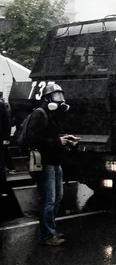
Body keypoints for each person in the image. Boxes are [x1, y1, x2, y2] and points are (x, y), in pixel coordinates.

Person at [28, 84, 78, 246]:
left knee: (57, 198)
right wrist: (58, 141)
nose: (60, 100)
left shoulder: (52, 115)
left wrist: (65, 137)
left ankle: (51, 230)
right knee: (48, 200)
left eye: (61, 96)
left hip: (55, 162)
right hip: (46, 163)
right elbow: (33, 139)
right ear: (47, 99)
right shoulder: (39, 114)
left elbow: (51, 136)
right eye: (56, 97)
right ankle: (46, 236)